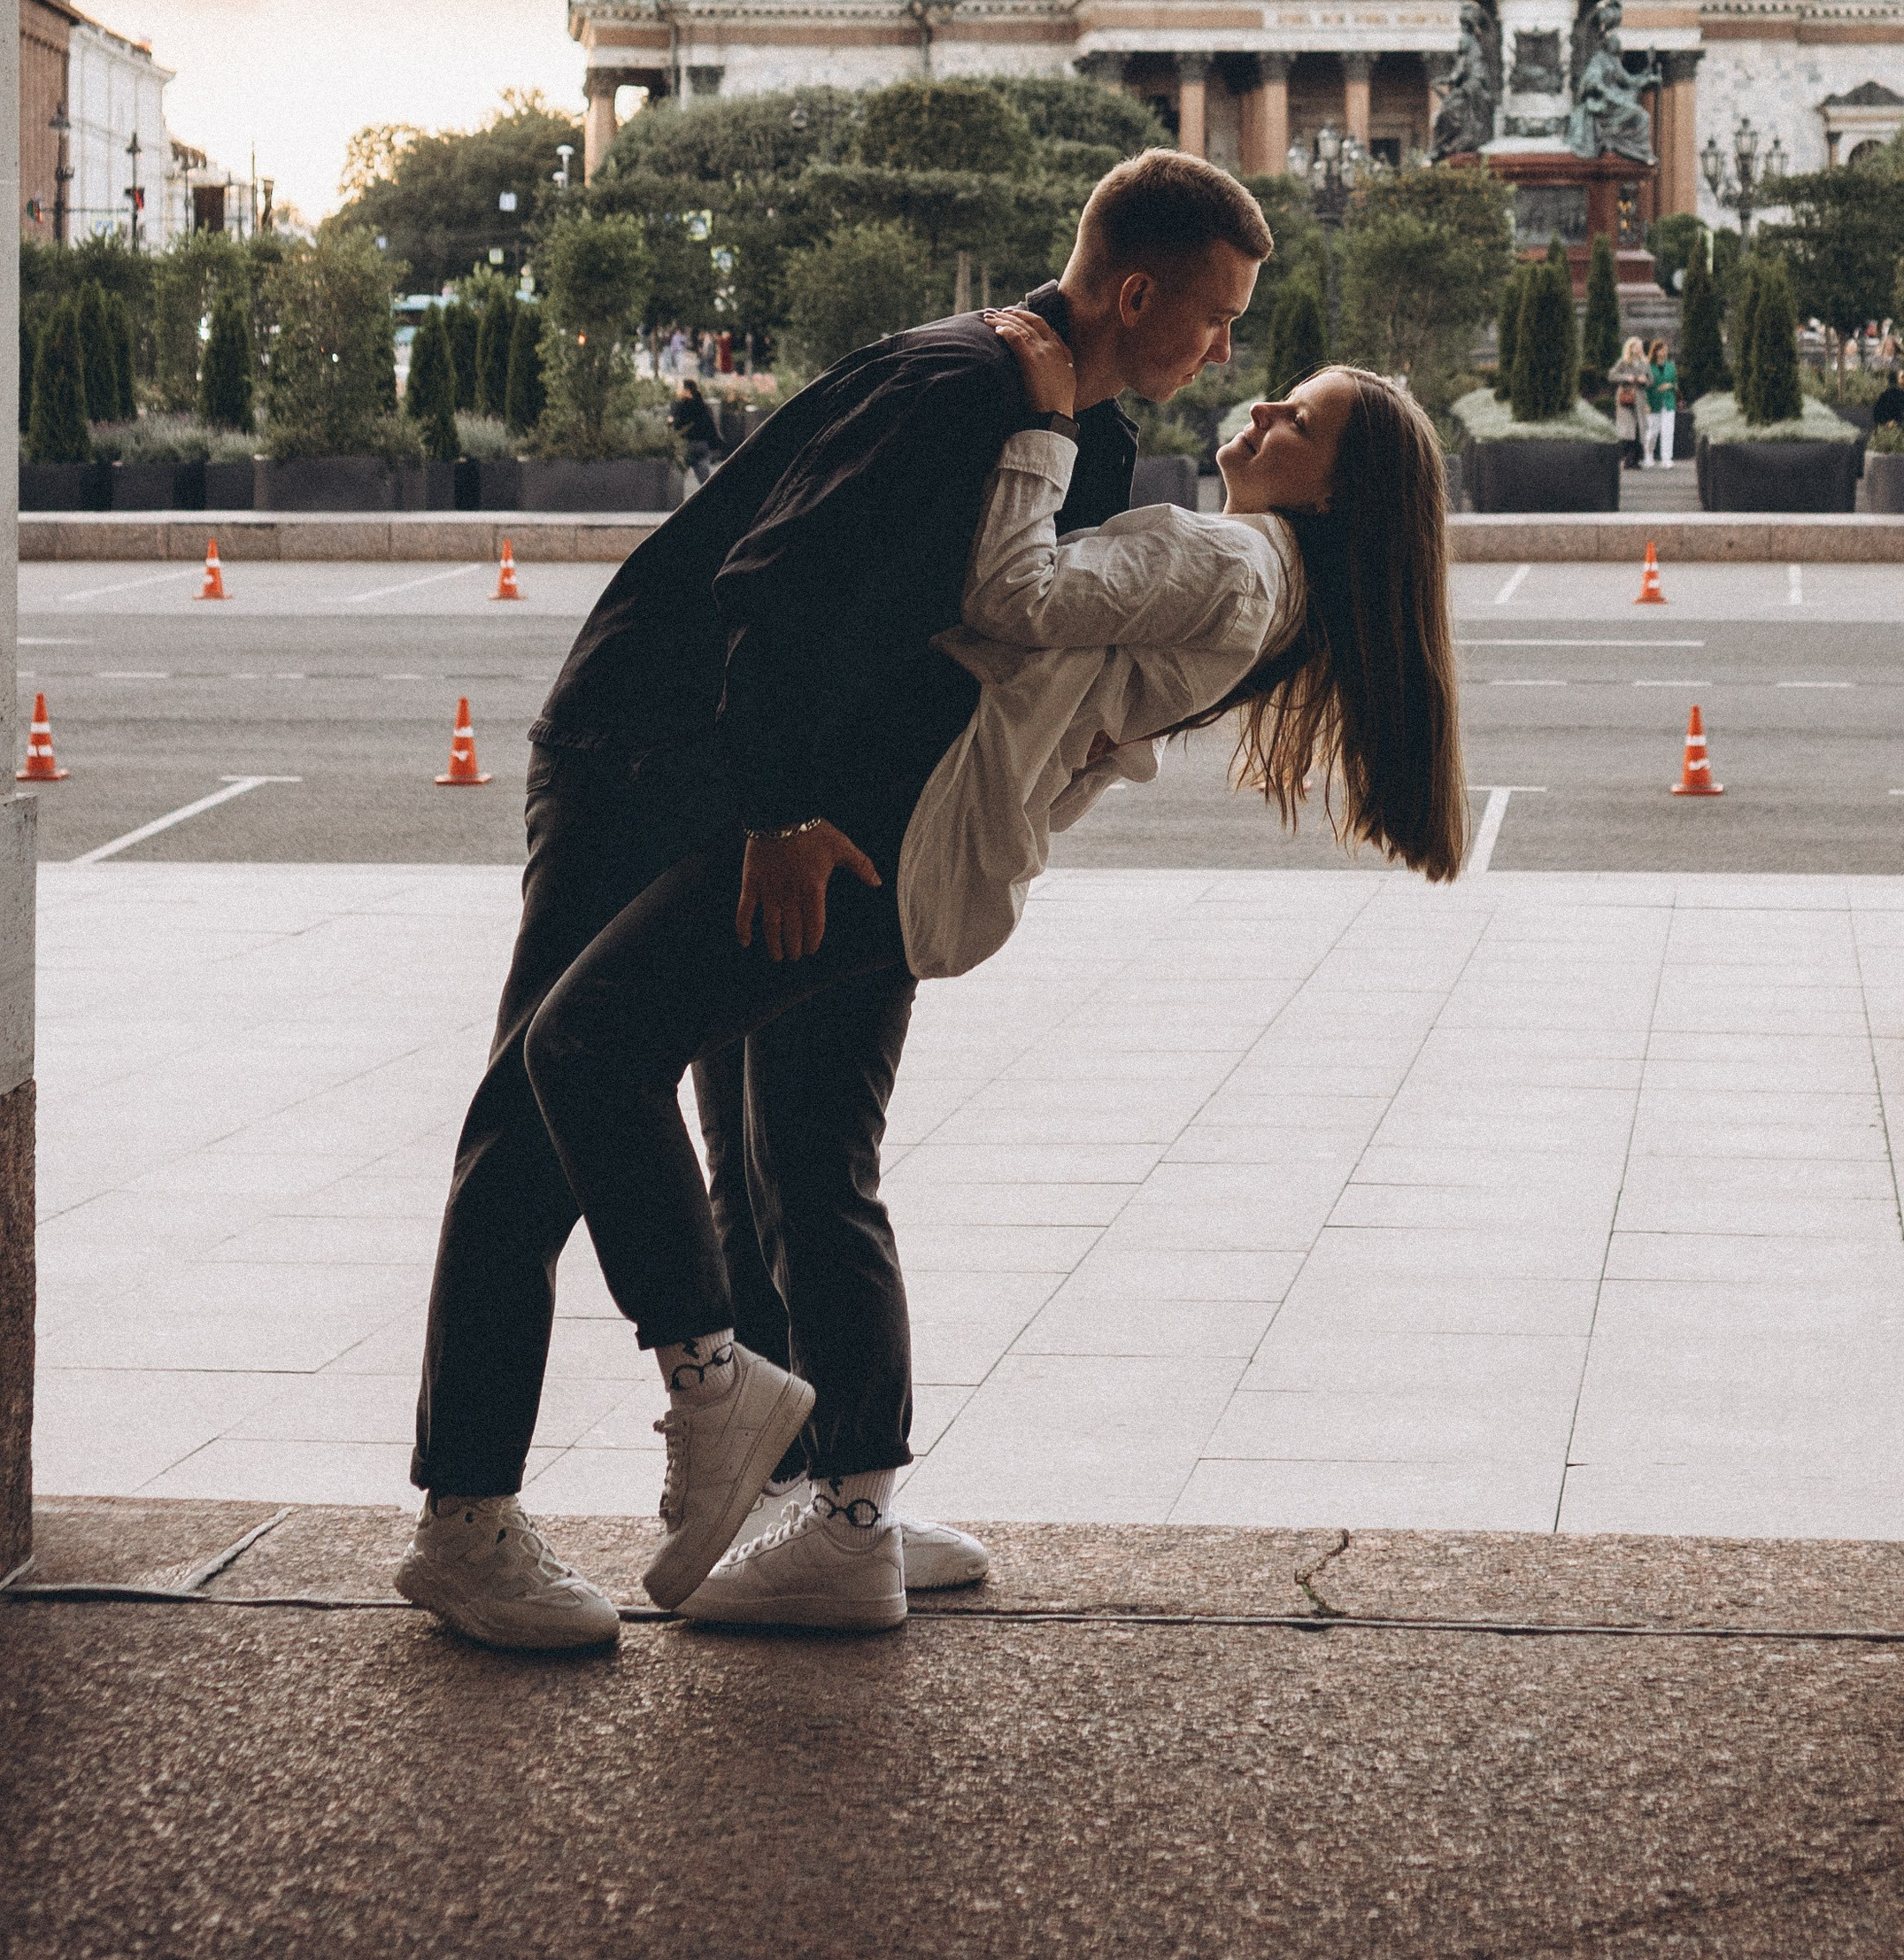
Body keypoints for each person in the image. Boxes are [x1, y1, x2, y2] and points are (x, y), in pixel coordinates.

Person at [395, 148, 1271, 1652]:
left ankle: (823, 1496)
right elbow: (774, 590)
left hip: (803, 795)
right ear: (1138, 292)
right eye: (1216, 317)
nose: (1225, 351)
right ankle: (466, 1521)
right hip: (647, 746)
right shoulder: (958, 389)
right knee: (539, 1116)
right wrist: (786, 813)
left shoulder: (1078, 430)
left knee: (788, 1141)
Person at [521, 322, 1465, 1633]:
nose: (1256, 407)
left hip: (883, 829)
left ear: (1337, 490)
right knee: (778, 1154)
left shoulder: (1229, 556)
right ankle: (832, 1493)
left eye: (1296, 422)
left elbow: (1009, 595)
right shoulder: (1270, 585)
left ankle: (822, 1487)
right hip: (916, 838)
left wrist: (1033, 430)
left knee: (705, 1113)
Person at [669, 374, 726, 487]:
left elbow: (677, 426)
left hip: (687, 445)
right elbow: (710, 426)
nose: (677, 390)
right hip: (703, 445)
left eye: (679, 388)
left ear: (687, 391)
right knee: (705, 480)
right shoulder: (703, 405)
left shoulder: (681, 407)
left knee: (676, 477)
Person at [1608, 334, 1648, 470]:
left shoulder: (1644, 362)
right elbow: (1612, 375)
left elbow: (1651, 380)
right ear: (1630, 348)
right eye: (1635, 347)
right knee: (1628, 431)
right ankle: (1628, 460)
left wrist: (1645, 381)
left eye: (1639, 347)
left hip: (1639, 400)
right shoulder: (1623, 362)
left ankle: (1635, 460)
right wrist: (1626, 377)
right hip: (1626, 399)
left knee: (1638, 430)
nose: (1638, 349)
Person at [1644, 337, 1679, 467]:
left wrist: (1670, 385)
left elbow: (1676, 383)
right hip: (1653, 402)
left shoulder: (1671, 366)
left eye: (1666, 350)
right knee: (1653, 431)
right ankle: (1648, 455)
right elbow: (1645, 387)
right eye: (1662, 350)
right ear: (1656, 351)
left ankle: (1666, 459)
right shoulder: (1648, 366)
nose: (1665, 352)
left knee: (1668, 431)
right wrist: (1646, 403)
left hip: (1668, 402)